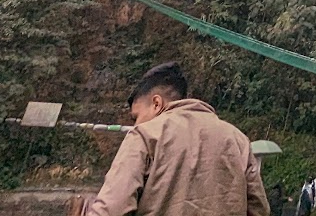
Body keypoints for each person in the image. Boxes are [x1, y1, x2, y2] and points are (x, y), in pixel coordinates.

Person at [83, 61, 269, 216]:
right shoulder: (238, 140)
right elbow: (259, 210)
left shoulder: (145, 135)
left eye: (136, 117)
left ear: (156, 103)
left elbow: (112, 209)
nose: (136, 124)